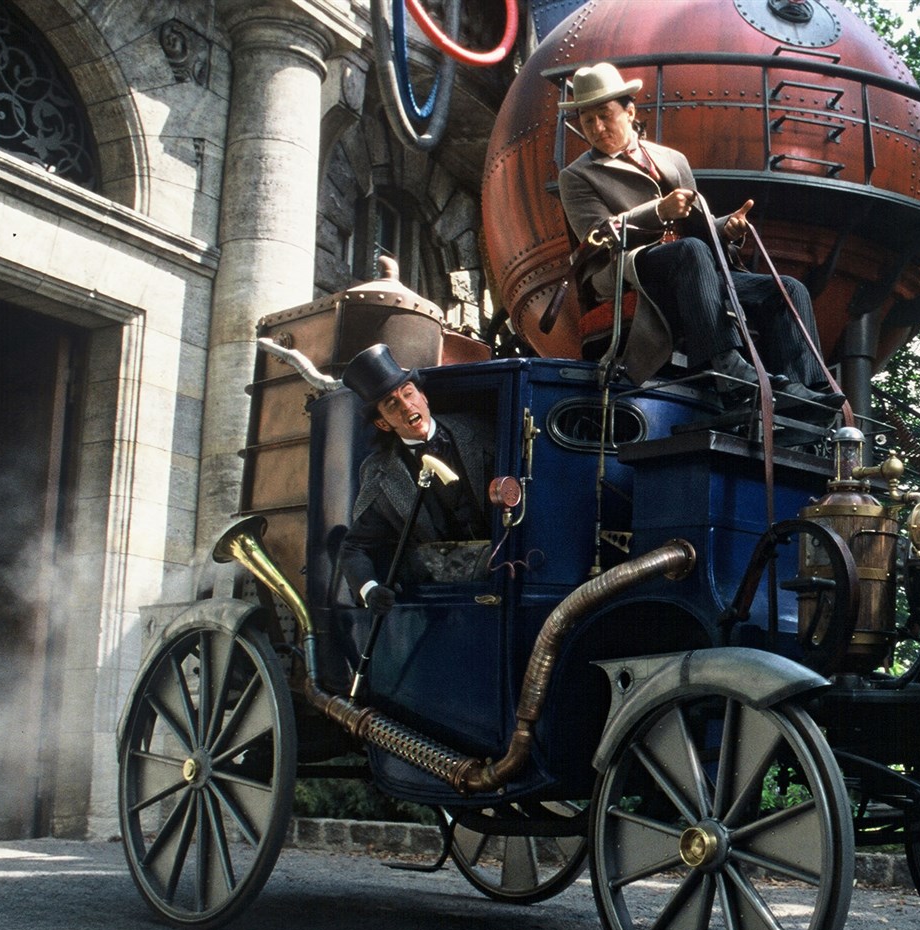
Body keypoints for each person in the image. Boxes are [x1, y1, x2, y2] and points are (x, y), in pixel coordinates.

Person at [555, 62, 845, 413]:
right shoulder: (576, 176)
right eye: (588, 121)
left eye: (605, 115)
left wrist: (726, 228)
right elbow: (597, 235)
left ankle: (800, 391)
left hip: (693, 267)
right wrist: (658, 212)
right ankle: (727, 367)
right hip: (629, 268)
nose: (598, 128)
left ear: (629, 112)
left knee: (787, 288)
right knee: (688, 250)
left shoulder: (673, 159)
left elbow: (697, 224)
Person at [337, 343, 493, 613]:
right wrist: (370, 590)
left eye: (409, 394)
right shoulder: (379, 473)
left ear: (424, 396)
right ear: (383, 423)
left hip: (500, 583)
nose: (406, 406)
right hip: (436, 602)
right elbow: (354, 547)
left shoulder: (481, 434)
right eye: (392, 404)